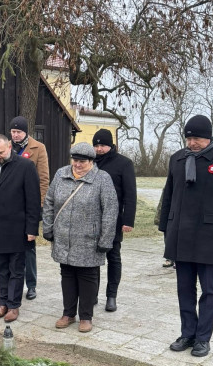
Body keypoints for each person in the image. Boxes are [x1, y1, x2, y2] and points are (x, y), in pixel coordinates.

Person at [159, 115, 213, 357]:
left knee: (209, 289)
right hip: (181, 233)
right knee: (184, 287)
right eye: (188, 138)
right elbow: (169, 195)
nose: (192, 143)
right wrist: (166, 226)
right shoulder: (177, 159)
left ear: (208, 136)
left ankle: (203, 338)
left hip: (210, 234)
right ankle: (188, 333)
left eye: (196, 138)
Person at [42, 142, 118, 333]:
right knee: (67, 275)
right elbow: (49, 201)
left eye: (82, 161)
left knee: (87, 277)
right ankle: (68, 313)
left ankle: (86, 316)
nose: (77, 164)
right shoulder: (61, 174)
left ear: (91, 161)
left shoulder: (102, 179)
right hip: (64, 238)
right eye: (75, 160)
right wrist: (48, 226)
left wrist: (105, 239)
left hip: (89, 239)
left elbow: (110, 210)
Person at [0, 134, 41, 322]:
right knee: (2, 269)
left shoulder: (25, 166)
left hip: (17, 228)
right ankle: (3, 302)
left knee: (16, 269)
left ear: (9, 147)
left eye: (0, 152)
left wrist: (32, 228)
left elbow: (33, 200)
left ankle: (14, 306)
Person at [92, 128, 137, 311]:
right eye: (96, 145)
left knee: (113, 258)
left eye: (102, 145)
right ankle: (91, 293)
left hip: (113, 219)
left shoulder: (124, 164)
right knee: (92, 260)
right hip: (91, 219)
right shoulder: (89, 162)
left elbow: (130, 194)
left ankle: (111, 296)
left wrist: (128, 220)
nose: (99, 149)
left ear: (111, 145)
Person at [9, 116, 49, 300]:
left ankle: (31, 284)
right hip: (9, 206)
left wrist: (39, 205)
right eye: (13, 132)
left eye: (19, 132)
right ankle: (12, 281)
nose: (15, 135)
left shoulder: (38, 148)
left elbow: (43, 179)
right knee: (9, 246)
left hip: (28, 206)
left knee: (28, 247)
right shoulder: (7, 147)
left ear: (26, 132)